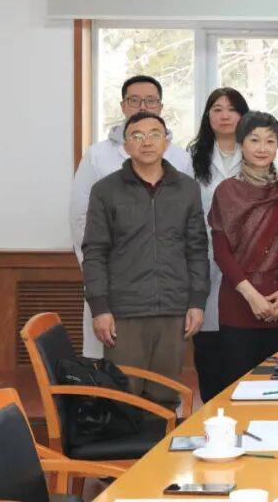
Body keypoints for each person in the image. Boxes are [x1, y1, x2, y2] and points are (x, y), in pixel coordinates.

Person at [81, 112, 208, 410]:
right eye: (137, 136)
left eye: (154, 134)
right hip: (124, 311)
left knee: (164, 399)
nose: (146, 142)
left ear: (166, 143)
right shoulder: (106, 190)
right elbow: (94, 252)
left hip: (174, 309)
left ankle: (161, 444)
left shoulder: (187, 188)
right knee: (123, 399)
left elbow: (197, 248)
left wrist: (197, 302)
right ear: (125, 145)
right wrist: (100, 308)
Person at [70, 75, 192, 359]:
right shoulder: (97, 155)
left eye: (150, 100)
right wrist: (95, 276)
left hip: (166, 286)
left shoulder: (179, 158)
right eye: (134, 100)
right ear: (123, 106)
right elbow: (80, 218)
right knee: (112, 367)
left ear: (161, 107)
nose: (142, 106)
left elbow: (189, 226)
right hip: (114, 281)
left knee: (162, 371)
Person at [208, 112, 278, 385]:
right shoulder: (226, 191)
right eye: (254, 140)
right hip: (238, 304)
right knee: (238, 388)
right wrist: (251, 296)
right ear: (241, 144)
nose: (262, 148)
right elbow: (221, 252)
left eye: (270, 141)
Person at [186, 87, 249, 402]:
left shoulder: (255, 153)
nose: (225, 116)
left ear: (243, 116)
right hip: (204, 260)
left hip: (246, 263)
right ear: (207, 116)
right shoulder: (190, 159)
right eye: (217, 109)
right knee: (210, 350)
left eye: (232, 109)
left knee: (242, 353)